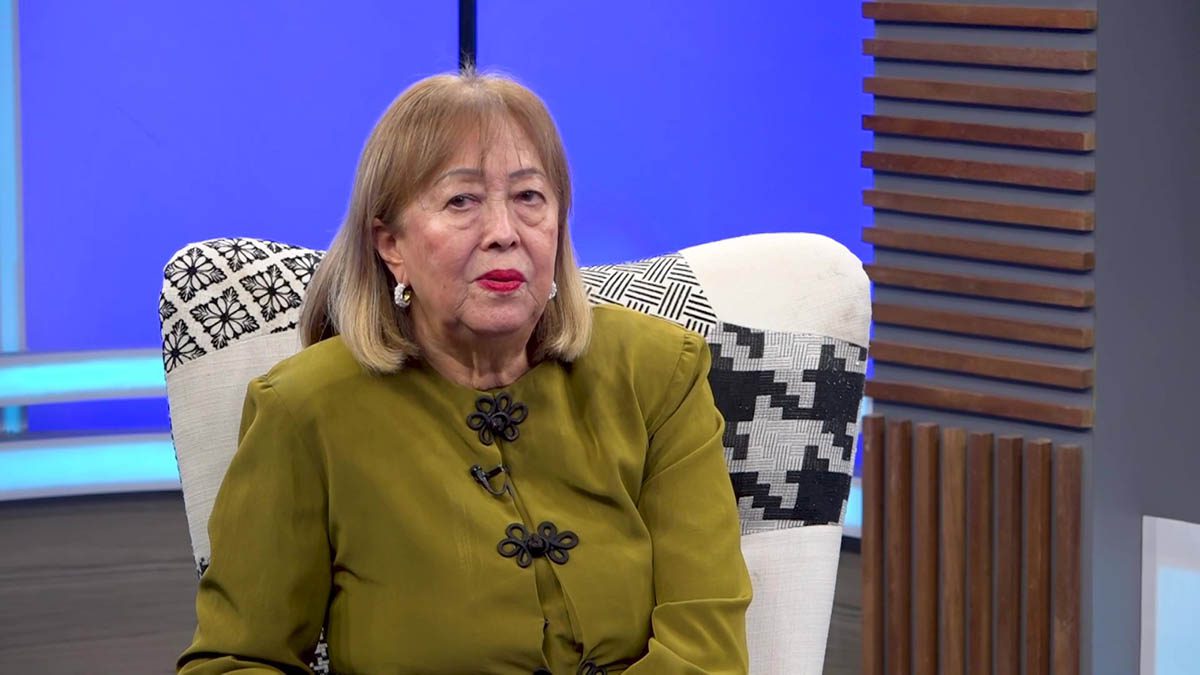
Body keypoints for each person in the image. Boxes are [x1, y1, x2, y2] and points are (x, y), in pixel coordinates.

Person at [177, 71, 751, 674]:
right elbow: (234, 662)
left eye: (529, 197)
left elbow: (706, 648)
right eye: (462, 201)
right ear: (391, 245)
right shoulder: (304, 411)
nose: (504, 233)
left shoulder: (658, 372)